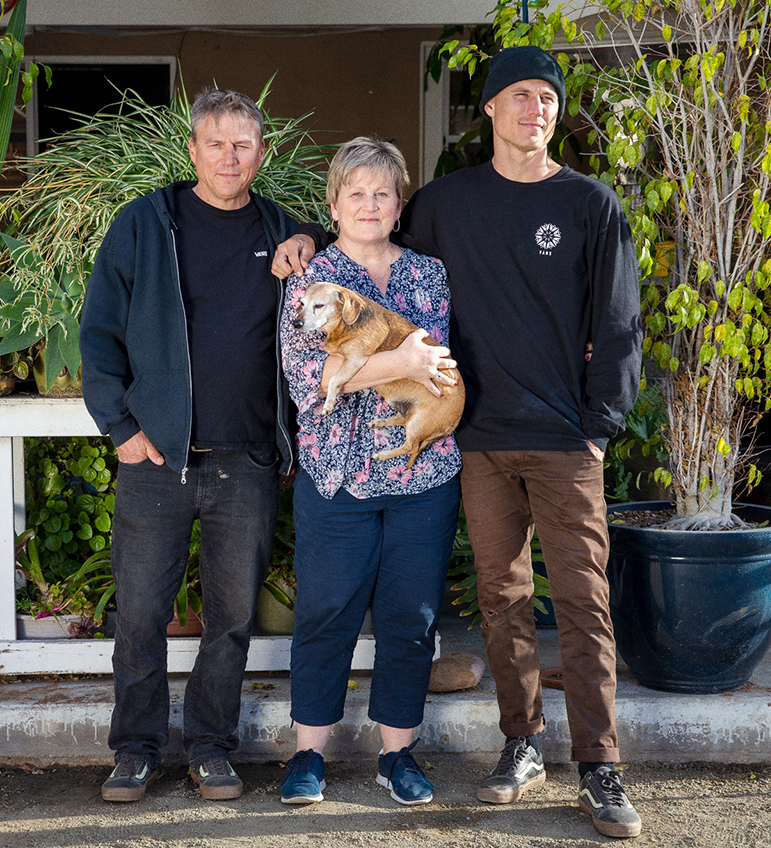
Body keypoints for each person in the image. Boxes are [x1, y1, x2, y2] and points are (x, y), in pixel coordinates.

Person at [272, 46, 644, 838]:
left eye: (546, 97)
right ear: (489, 110)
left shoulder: (589, 205)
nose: (532, 108)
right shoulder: (450, 202)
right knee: (502, 601)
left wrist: (601, 431)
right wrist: (303, 238)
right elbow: (364, 222)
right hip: (472, 444)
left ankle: (600, 766)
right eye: (516, 95)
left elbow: (617, 326)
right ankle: (522, 745)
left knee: (581, 601)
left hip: (556, 442)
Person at [80, 88, 322, 803]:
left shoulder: (281, 228)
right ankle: (136, 749)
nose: (228, 158)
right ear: (192, 150)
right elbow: (97, 334)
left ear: (261, 154)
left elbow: (340, 243)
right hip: (158, 460)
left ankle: (212, 747)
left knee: (232, 620)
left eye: (242, 145)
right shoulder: (145, 224)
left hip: (245, 463)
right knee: (143, 614)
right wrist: (120, 429)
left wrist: (309, 233)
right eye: (215, 144)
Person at [276, 137, 461, 808]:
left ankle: (397, 754)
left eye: (382, 192)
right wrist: (401, 363)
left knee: (409, 618)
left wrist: (397, 366)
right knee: (326, 613)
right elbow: (311, 376)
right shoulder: (309, 279)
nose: (369, 204)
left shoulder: (428, 275)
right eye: (355, 192)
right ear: (332, 204)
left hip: (423, 475)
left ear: (399, 203)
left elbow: (436, 366)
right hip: (338, 475)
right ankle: (308, 756)